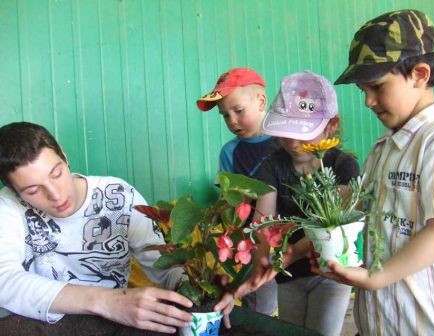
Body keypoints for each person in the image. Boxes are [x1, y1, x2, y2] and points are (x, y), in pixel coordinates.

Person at [0, 122, 234, 335]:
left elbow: (164, 268)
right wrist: (106, 301)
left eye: (57, 173)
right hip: (49, 324)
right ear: (13, 190)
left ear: (64, 154)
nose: (56, 194)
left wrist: (203, 289)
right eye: (32, 191)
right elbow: (5, 280)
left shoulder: (118, 196)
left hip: (119, 323)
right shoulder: (8, 205)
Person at [310, 9, 434, 335]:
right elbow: (356, 206)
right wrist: (297, 248)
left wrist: (378, 277)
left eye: (376, 86)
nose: (368, 101)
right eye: (363, 91)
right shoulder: (385, 145)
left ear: (420, 74)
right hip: (377, 324)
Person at [237, 71, 360, 336]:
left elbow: (328, 226)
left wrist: (288, 255)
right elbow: (263, 222)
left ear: (331, 125)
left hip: (331, 273)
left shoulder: (343, 166)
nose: (293, 143)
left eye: (302, 134)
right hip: (288, 276)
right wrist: (262, 256)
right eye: (285, 132)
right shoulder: (272, 165)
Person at [197, 67, 278, 316]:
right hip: (252, 245)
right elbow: (232, 203)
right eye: (225, 116)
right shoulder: (229, 152)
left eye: (238, 111)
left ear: (261, 101)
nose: (232, 120)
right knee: (260, 306)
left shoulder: (285, 141)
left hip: (289, 240)